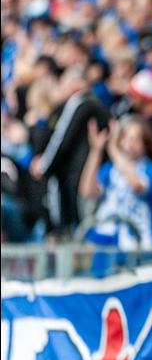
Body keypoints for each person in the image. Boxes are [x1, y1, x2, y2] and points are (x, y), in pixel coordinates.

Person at [31, 66, 110, 234]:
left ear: (76, 84)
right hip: (89, 178)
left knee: (77, 230)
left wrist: (43, 166)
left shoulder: (79, 102)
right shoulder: (97, 104)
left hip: (78, 179)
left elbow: (61, 138)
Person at [79, 118, 152, 252]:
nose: (130, 143)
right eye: (126, 138)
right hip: (107, 234)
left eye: (136, 139)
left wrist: (114, 150)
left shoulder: (151, 169)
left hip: (138, 238)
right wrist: (96, 151)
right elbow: (87, 191)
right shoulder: (110, 169)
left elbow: (137, 186)